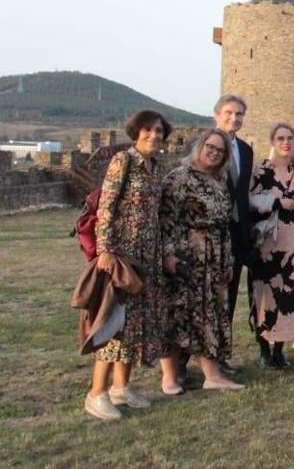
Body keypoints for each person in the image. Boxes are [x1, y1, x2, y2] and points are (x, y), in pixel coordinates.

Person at [82, 110, 171, 421]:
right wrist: (105, 250)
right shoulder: (124, 161)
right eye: (147, 130)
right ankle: (96, 394)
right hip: (121, 254)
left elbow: (160, 214)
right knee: (114, 321)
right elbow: (107, 204)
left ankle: (121, 387)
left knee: (134, 322)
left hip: (148, 255)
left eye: (158, 131)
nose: (153, 136)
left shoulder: (158, 168)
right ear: (136, 132)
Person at [159, 129, 243, 392]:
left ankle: (212, 375)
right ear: (200, 146)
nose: (214, 152)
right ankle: (170, 377)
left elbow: (224, 224)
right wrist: (168, 254)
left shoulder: (218, 181)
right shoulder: (179, 178)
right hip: (187, 257)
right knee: (179, 314)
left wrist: (227, 260)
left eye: (220, 150)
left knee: (209, 315)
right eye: (211, 146)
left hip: (214, 257)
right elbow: (165, 219)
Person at [247, 123, 294, 371]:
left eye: (290, 138)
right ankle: (263, 349)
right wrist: (276, 201)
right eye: (281, 138)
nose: (286, 142)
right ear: (272, 141)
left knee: (288, 296)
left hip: (292, 242)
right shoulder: (261, 172)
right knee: (264, 296)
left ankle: (280, 350)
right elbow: (249, 201)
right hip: (267, 244)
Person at [213, 94, 253, 359]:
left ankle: (221, 356)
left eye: (239, 114)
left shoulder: (246, 150)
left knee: (228, 299)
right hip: (209, 235)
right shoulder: (204, 146)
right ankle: (184, 365)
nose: (234, 118)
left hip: (236, 235)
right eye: (228, 113)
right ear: (216, 115)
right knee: (204, 299)